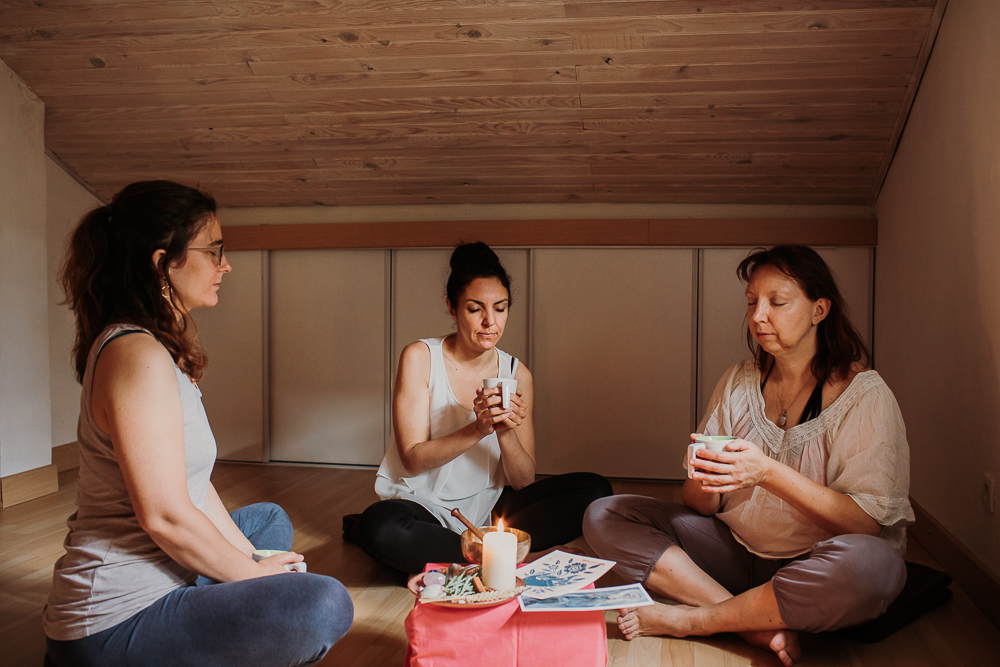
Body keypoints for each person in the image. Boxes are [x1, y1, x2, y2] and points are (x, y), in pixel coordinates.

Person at [43, 181, 353, 667]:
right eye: (214, 251)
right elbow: (164, 516)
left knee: (269, 520)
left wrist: (252, 561)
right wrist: (261, 578)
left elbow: (195, 484)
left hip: (169, 570)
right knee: (324, 602)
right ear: (162, 262)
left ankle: (218, 596)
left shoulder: (155, 349)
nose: (225, 265)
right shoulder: (136, 356)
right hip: (113, 623)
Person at [583, 245, 914, 666]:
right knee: (604, 513)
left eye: (777, 302)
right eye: (752, 302)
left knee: (874, 566)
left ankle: (696, 620)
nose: (758, 316)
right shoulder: (740, 381)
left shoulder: (863, 394)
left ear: (819, 310)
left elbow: (865, 524)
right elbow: (698, 503)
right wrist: (709, 480)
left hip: (815, 562)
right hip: (737, 553)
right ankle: (753, 622)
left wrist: (765, 472)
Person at [356, 242, 613, 574]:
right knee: (380, 526)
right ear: (452, 308)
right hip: (423, 505)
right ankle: (503, 558)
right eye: (475, 309)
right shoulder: (420, 357)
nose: (490, 321)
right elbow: (412, 459)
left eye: (501, 308)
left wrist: (504, 430)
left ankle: (471, 555)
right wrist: (478, 428)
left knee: (595, 491)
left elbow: (523, 481)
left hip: (490, 508)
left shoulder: (517, 374)